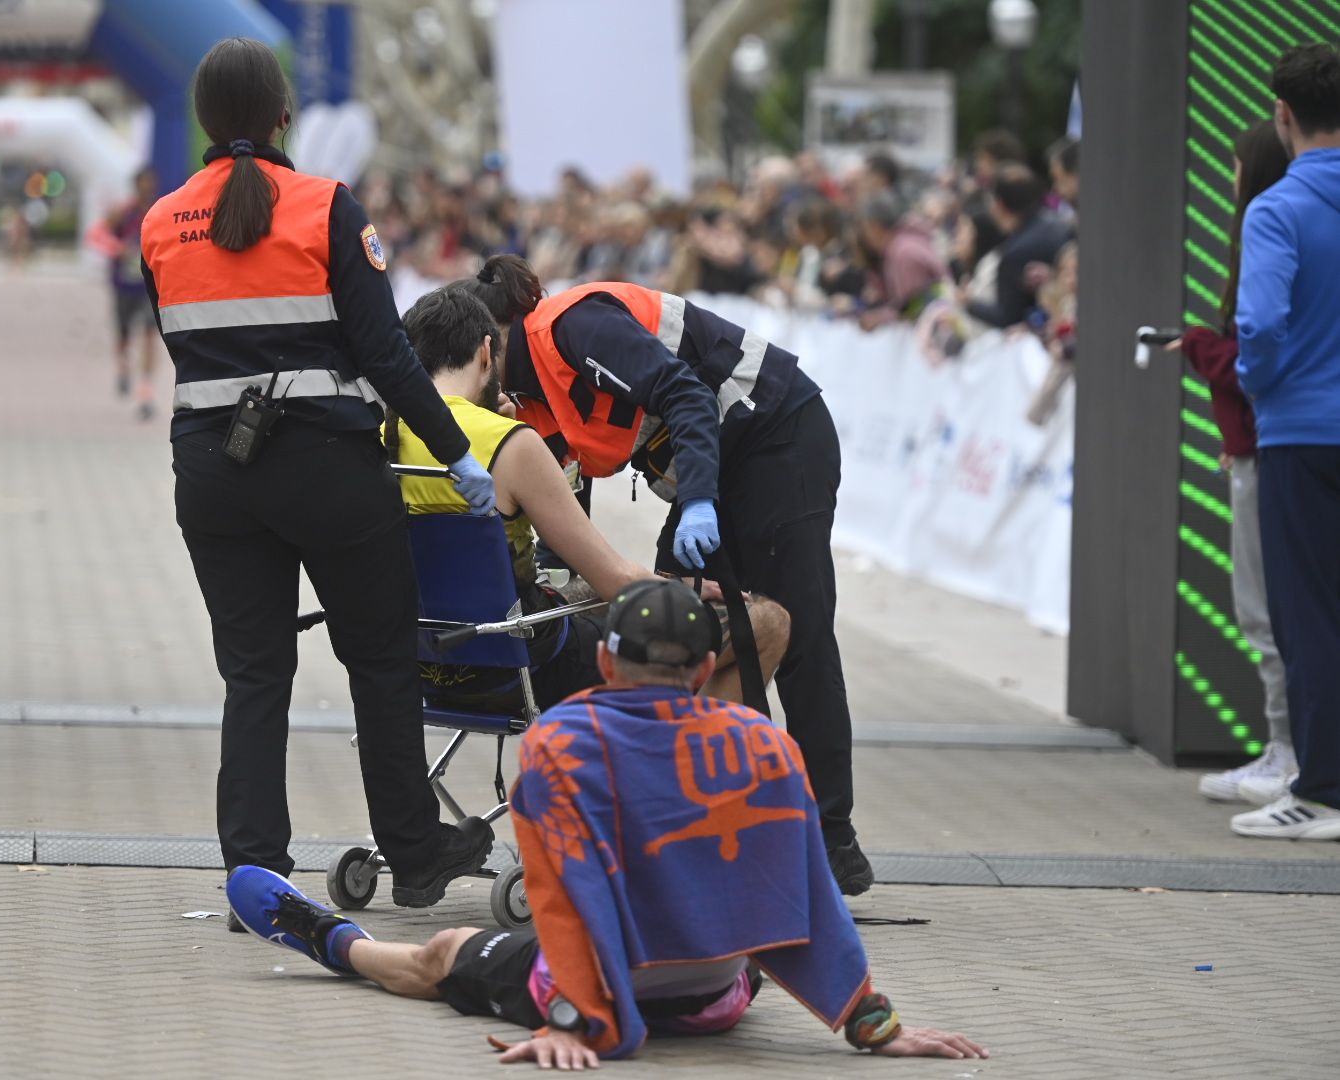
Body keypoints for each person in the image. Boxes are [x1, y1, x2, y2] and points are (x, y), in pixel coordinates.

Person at [228, 579, 987, 1069]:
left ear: (605, 663)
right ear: (701, 670)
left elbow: (560, 892)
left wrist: (571, 1018)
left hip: (603, 991)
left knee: (442, 952)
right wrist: (874, 1022)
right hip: (718, 998)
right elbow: (807, 890)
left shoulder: (562, 742)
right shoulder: (767, 744)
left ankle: (329, 939)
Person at [139, 37, 501, 922]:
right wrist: (456, 452)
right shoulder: (326, 207)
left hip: (213, 473)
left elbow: (189, 347)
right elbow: (384, 351)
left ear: (202, 121)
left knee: (255, 675)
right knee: (380, 662)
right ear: (283, 116)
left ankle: (254, 877)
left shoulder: (161, 223)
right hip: (330, 469)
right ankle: (415, 855)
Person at [459, 254, 875, 896]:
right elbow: (563, 486)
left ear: (489, 345)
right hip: (711, 457)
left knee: (798, 628)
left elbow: (684, 394)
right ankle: (691, 811)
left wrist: (703, 500)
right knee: (671, 633)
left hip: (775, 431)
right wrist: (552, 585)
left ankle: (831, 839)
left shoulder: (574, 327)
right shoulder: (529, 393)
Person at [391, 285, 790, 709]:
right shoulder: (512, 443)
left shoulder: (381, 435)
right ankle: (680, 764)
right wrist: (688, 587)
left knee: (586, 593)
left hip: (422, 667)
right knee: (766, 622)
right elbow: (616, 581)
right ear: (488, 352)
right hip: (527, 666)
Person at [1229, 43, 1340, 841]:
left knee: (1308, 616)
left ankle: (1322, 790)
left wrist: (1259, 380)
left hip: (1302, 432)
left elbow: (1261, 323)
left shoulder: (1279, 208)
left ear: (1283, 115)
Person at [1166, 121, 1293, 806]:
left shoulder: (1273, 222)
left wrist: (1198, 348)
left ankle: (1291, 752)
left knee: (1267, 610)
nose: (1231, 181)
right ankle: (1292, 749)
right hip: (1270, 443)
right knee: (1282, 609)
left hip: (1276, 448)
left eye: (1237, 167)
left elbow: (1256, 355)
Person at [88, 166, 161, 420]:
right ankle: (123, 368)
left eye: (151, 184)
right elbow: (95, 234)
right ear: (136, 185)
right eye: (143, 183)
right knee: (124, 336)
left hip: (148, 287)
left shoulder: (158, 212)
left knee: (150, 335)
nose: (147, 188)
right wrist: (117, 248)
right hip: (122, 285)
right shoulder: (123, 213)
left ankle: (145, 393)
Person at [963, 165, 1071, 329]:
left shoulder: (1015, 253)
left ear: (998, 204)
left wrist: (967, 303)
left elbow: (1008, 318)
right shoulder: (1061, 224)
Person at [855, 192, 949, 330]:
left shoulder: (903, 253)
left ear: (873, 227)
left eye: (864, 230)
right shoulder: (904, 243)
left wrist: (879, 318)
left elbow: (912, 308)